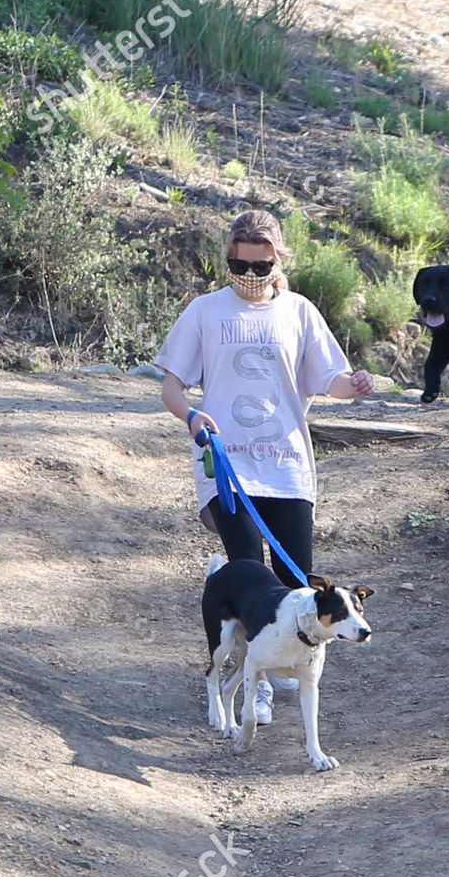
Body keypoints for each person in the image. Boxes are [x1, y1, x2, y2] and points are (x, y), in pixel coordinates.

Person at [154, 210, 374, 725]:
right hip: (227, 465)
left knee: (295, 580)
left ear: (278, 261)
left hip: (288, 465)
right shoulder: (206, 311)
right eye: (237, 263)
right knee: (250, 571)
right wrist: (190, 416)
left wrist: (355, 384)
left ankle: (283, 668)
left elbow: (330, 380)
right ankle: (256, 685)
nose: (248, 275)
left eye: (259, 265)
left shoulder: (299, 311)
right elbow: (170, 386)